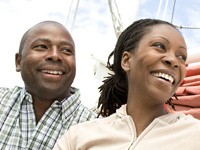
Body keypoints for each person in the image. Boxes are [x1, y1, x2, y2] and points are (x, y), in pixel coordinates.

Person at [53, 18, 200, 150]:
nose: (173, 60)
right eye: (160, 46)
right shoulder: (79, 136)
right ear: (126, 60)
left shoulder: (195, 135)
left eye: (181, 56)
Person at [0, 21, 97, 150]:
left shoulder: (96, 129)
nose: (55, 55)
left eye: (66, 50)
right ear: (18, 62)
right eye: (41, 47)